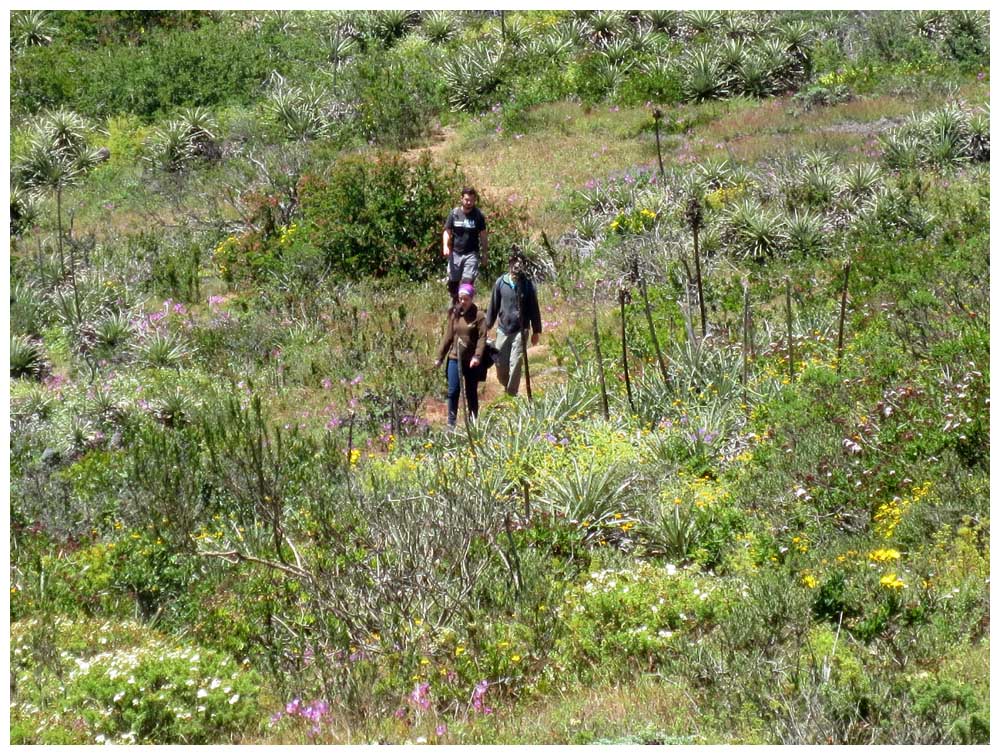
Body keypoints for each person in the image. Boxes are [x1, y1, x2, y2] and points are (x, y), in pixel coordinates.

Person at [485, 248, 542, 397]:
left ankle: (511, 393)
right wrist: (486, 326)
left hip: (520, 330)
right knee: (500, 364)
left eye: (520, 264)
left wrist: (536, 331)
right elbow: (493, 306)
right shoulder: (500, 283)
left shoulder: (527, 285)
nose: (517, 267)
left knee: (516, 362)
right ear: (509, 264)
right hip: (503, 329)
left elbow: (534, 309)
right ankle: (506, 385)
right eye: (514, 263)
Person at [434, 282, 487, 429]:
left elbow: (482, 338)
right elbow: (448, 337)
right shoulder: (454, 314)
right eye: (461, 298)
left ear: (471, 298)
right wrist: (439, 357)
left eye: (466, 299)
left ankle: (473, 422)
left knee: (471, 392)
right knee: (453, 391)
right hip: (454, 358)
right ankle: (451, 423)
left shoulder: (479, 315)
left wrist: (477, 356)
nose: (463, 302)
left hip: (471, 361)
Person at [442, 187, 488, 304]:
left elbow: (483, 235)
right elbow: (447, 231)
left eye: (471, 200)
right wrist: (445, 247)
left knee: (466, 283)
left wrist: (484, 254)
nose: (469, 203)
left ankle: (467, 307)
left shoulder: (478, 215)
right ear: (461, 199)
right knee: (453, 284)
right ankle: (455, 307)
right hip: (456, 253)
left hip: (471, 254)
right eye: (467, 200)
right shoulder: (454, 214)